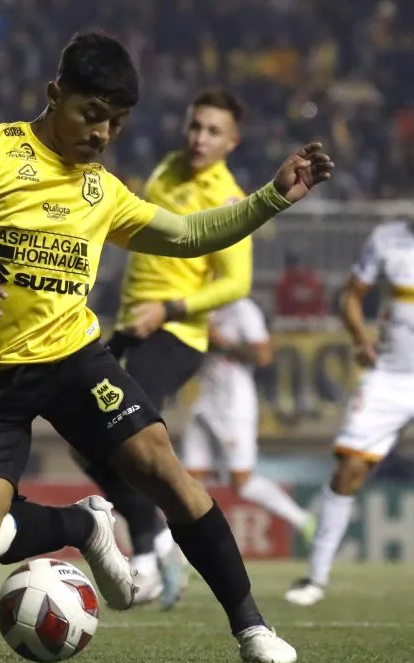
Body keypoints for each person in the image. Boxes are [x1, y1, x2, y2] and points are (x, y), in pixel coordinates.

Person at [0, 31, 333, 663]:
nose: (102, 134)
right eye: (92, 115)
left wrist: (274, 196)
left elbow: (188, 232)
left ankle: (251, 626)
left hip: (70, 361)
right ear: (55, 95)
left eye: (115, 122)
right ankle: (83, 525)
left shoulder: (101, 189)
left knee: (160, 464)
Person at [80, 90, 254, 609]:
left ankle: (152, 557)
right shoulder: (167, 169)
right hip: (134, 327)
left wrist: (170, 308)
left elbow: (235, 283)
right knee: (86, 441)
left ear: (232, 142)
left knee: (123, 438)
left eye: (213, 131)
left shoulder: (228, 198)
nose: (200, 137)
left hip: (177, 335)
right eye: (195, 126)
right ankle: (158, 544)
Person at [285, 219, 414, 606]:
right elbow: (352, 297)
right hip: (391, 376)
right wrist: (361, 338)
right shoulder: (387, 237)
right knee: (349, 469)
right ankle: (316, 578)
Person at [181, 298, 313, 550]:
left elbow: (263, 355)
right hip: (204, 401)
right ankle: (182, 553)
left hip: (234, 405)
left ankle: (303, 520)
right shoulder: (199, 303)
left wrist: (222, 342)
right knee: (187, 482)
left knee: (243, 483)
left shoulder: (242, 309)